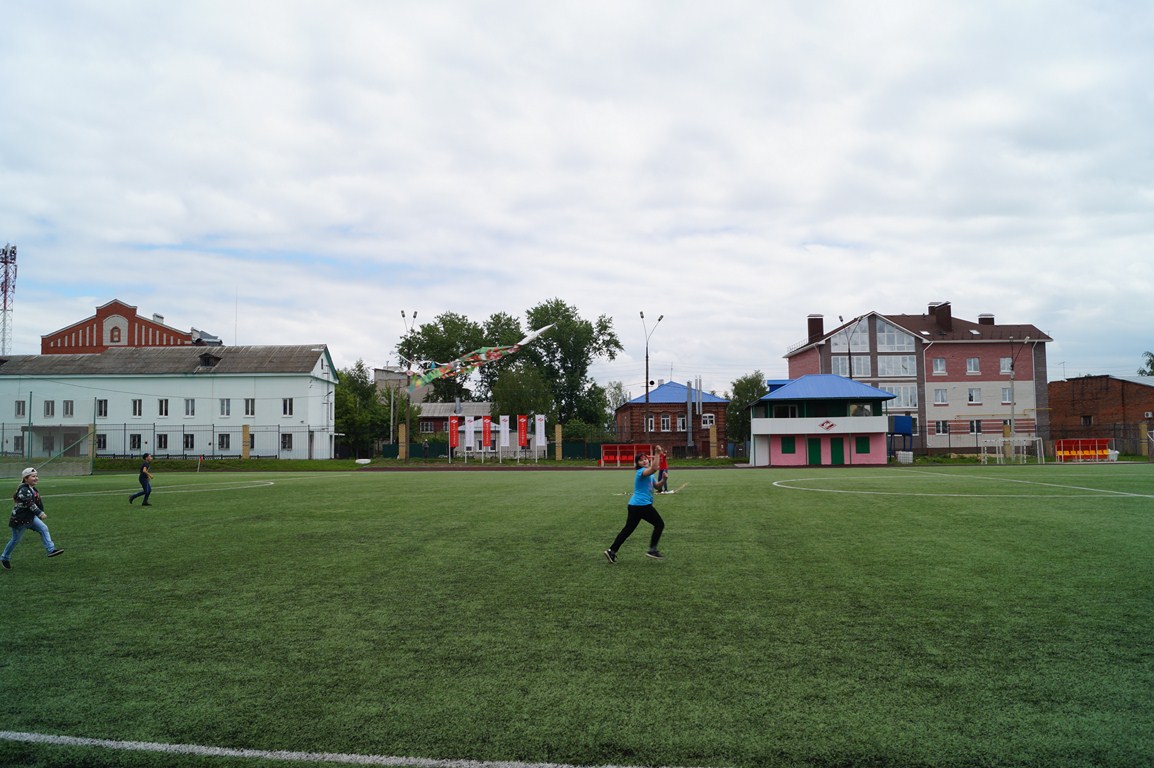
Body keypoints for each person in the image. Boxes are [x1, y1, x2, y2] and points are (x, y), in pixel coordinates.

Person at [604, 446, 666, 563]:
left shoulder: (649, 474)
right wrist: (657, 453)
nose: (644, 461)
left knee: (628, 530)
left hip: (634, 505)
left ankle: (611, 551)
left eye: (645, 459)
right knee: (659, 524)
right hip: (642, 505)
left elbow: (657, 486)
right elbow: (654, 468)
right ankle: (652, 550)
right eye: (641, 460)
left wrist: (664, 480)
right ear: (637, 464)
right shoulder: (640, 472)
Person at [3, 467, 64, 570]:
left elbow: (38, 502)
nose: (36, 478)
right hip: (20, 520)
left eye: (36, 476)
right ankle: (5, 557)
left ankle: (51, 550)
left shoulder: (33, 489)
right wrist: (40, 513)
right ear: (26, 478)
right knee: (15, 540)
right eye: (33, 476)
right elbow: (29, 503)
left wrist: (40, 512)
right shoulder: (23, 490)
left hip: (30, 518)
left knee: (43, 528)